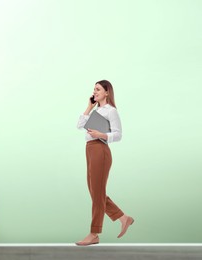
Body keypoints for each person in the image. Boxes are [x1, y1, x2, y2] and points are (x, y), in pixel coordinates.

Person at [75, 80, 134, 246]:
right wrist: (89, 106)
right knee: (95, 192)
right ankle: (123, 218)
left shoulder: (111, 111)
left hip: (101, 149)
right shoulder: (97, 110)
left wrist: (101, 134)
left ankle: (94, 233)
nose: (95, 91)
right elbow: (79, 125)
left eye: (98, 89)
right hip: (90, 149)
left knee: (97, 193)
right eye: (94, 89)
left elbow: (118, 135)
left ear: (107, 92)